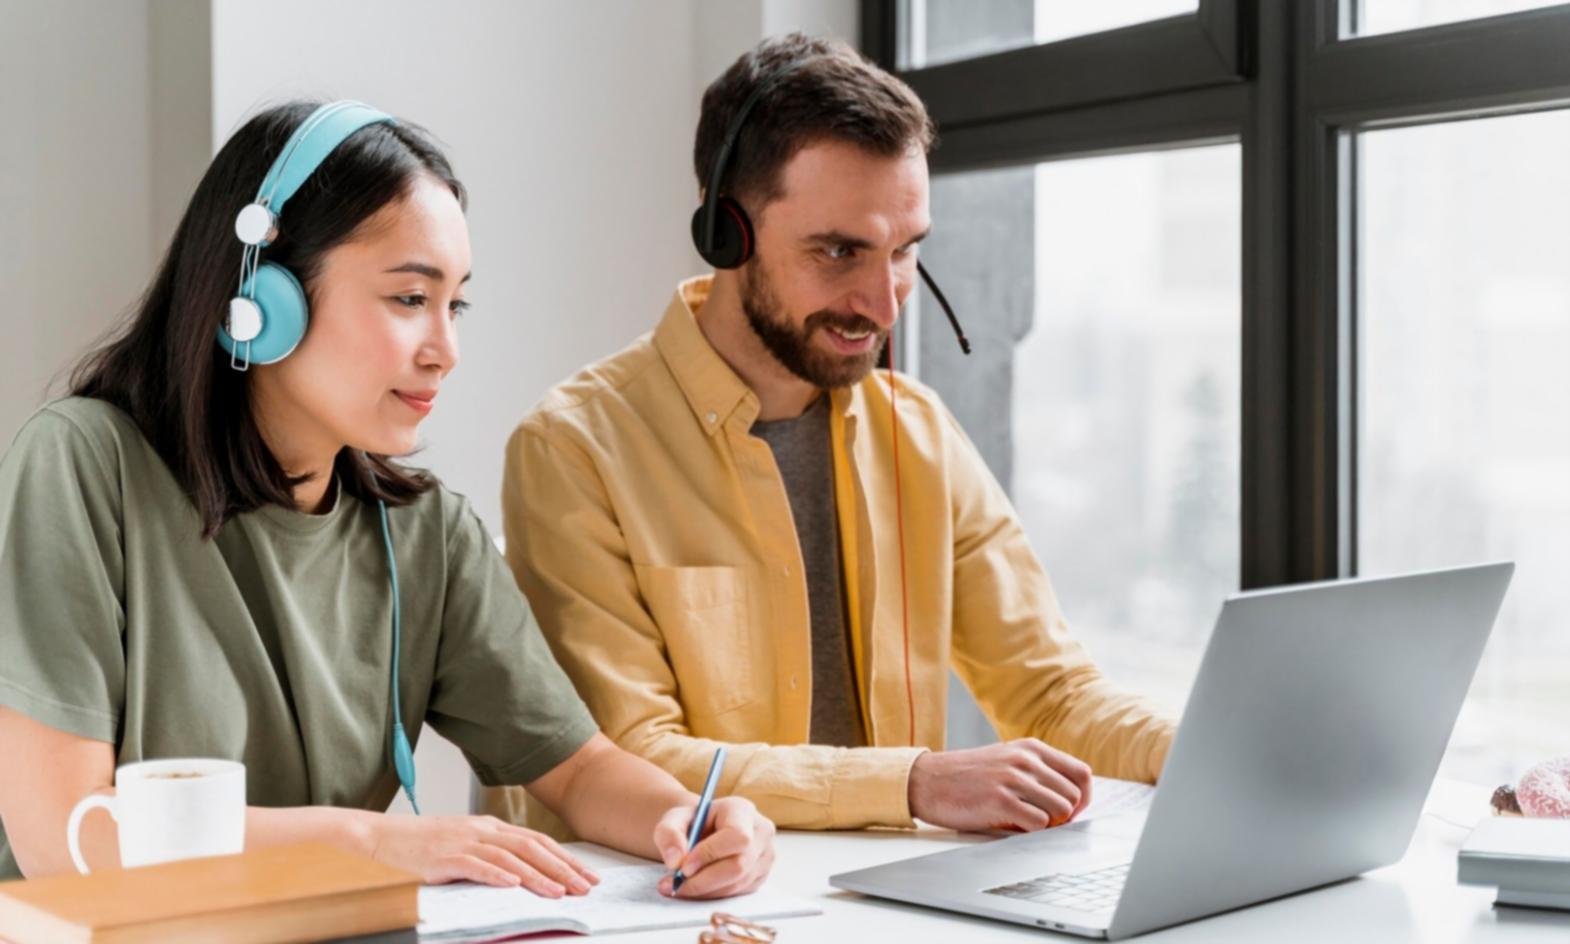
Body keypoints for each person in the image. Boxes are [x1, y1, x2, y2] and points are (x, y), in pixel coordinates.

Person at [0, 101, 774, 899]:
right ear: (262, 299)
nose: (446, 351)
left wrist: (690, 820)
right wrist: (370, 842)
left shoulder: (426, 533)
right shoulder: (83, 465)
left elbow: (577, 770)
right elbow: (63, 836)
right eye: (410, 299)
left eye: (454, 305)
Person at [487, 35, 1177, 840]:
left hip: (882, 892)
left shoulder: (917, 433)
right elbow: (632, 760)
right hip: (689, 897)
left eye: (904, 252)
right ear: (726, 232)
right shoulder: (575, 450)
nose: (883, 304)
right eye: (840, 251)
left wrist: (1204, 749)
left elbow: (1052, 696)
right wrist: (912, 783)